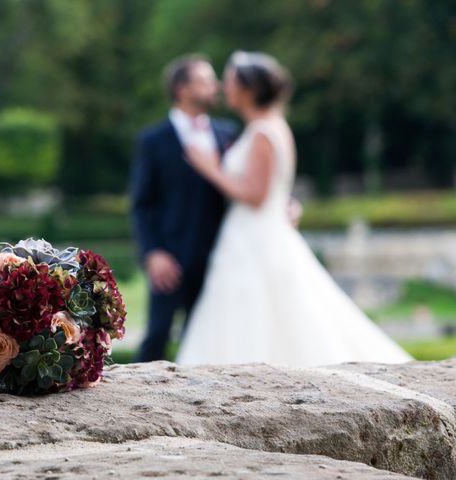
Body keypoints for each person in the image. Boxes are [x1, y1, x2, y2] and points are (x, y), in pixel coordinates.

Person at [176, 51, 412, 366]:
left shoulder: (262, 131)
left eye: (231, 82)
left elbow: (256, 194)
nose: (224, 88)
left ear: (249, 89)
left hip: (254, 236)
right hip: (254, 232)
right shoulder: (263, 127)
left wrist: (211, 168)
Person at [130, 54, 238, 362]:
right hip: (171, 259)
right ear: (182, 89)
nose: (215, 86)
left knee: (212, 341)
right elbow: (141, 204)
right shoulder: (153, 140)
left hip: (222, 256)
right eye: (205, 81)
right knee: (157, 337)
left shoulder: (228, 132)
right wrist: (153, 254)